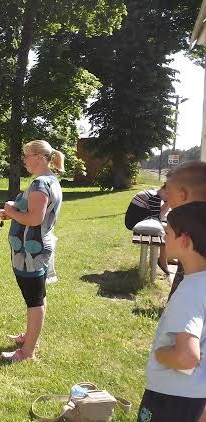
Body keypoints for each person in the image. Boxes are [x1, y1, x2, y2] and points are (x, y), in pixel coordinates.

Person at [137, 201, 206, 422]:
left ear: (184, 240)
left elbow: (186, 357)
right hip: (196, 399)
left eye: (167, 232)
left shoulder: (190, 293)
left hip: (171, 398)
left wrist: (160, 354)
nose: (164, 238)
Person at [0, 140, 63, 362]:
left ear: (39, 157)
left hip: (31, 253)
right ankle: (30, 337)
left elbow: (35, 219)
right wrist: (13, 211)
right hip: (33, 249)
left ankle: (27, 352)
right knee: (37, 296)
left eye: (26, 156)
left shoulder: (40, 184)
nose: (24, 160)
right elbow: (33, 213)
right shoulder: (49, 181)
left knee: (34, 300)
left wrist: (11, 211)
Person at [162, 161, 206, 299]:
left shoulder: (188, 232)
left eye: (168, 193)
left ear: (182, 195)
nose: (166, 199)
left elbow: (182, 294)